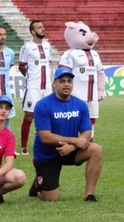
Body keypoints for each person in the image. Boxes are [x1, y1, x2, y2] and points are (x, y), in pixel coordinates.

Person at [29, 67, 103, 202]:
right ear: (54, 83)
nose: (66, 84)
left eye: (69, 81)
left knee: (96, 150)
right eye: (62, 81)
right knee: (51, 198)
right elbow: (45, 137)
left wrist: (73, 147)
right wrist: (75, 142)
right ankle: (38, 185)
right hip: (48, 154)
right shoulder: (42, 105)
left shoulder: (80, 104)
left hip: (70, 150)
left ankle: (89, 195)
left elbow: (87, 131)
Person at [18, 20, 52, 156]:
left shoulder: (48, 46)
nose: (43, 29)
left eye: (43, 26)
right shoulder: (27, 47)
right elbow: (22, 66)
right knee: (29, 115)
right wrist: (30, 77)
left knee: (49, 115)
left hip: (47, 87)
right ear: (33, 31)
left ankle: (48, 142)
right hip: (33, 87)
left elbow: (48, 64)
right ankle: (24, 147)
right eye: (39, 27)